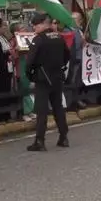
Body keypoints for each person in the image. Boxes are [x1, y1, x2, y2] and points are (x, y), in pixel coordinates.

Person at [25, 13, 71, 152]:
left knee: (42, 110)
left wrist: (31, 76)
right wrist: (59, 67)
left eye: (36, 25)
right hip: (57, 77)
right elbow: (67, 55)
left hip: (43, 78)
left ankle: (40, 140)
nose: (34, 28)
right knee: (58, 108)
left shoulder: (39, 39)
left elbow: (30, 62)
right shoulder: (59, 37)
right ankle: (63, 137)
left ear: (44, 23)